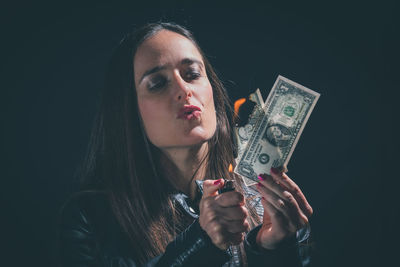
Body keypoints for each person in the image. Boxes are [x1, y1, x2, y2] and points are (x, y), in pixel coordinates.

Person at [58, 22, 313, 267]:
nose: (183, 89)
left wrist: (275, 250)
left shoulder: (265, 204)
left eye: (192, 74)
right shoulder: (90, 219)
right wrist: (200, 243)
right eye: (158, 83)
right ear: (128, 111)